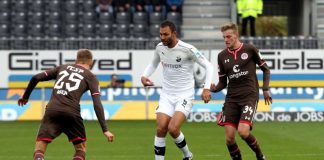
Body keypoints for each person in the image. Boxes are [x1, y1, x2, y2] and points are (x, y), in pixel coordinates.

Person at [18, 49, 114, 160]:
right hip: (72, 112)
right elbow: (97, 103)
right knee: (80, 149)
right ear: (91, 62)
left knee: (40, 146)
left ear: (76, 60)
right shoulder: (91, 77)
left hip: (52, 110)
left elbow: (36, 78)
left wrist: (25, 97)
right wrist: (105, 129)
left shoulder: (62, 67)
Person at [141, 20, 214, 160]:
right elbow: (153, 63)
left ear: (174, 33)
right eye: (160, 34)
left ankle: (187, 155)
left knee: (173, 129)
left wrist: (206, 88)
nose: (162, 38)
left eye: (166, 34)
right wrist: (144, 76)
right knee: (161, 128)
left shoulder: (188, 49)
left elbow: (209, 66)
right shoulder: (159, 47)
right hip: (166, 95)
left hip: (184, 95)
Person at [210, 22, 271, 160]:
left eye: (228, 36)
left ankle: (260, 155)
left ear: (236, 35)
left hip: (249, 96)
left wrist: (265, 89)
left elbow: (266, 69)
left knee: (243, 132)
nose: (226, 40)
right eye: (224, 37)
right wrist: (214, 89)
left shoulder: (250, 49)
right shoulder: (221, 56)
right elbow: (222, 82)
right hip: (231, 99)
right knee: (229, 139)